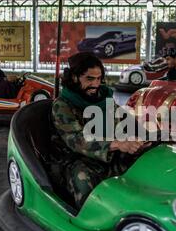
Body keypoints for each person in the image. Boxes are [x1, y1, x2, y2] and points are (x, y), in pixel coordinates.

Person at [51, 52, 150, 209]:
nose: (95, 84)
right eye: (89, 79)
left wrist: (146, 135)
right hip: (79, 159)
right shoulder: (63, 105)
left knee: (146, 165)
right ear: (75, 78)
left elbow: (124, 118)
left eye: (98, 79)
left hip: (111, 155)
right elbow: (77, 140)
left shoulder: (104, 98)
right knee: (82, 181)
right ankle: (89, 222)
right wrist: (117, 144)